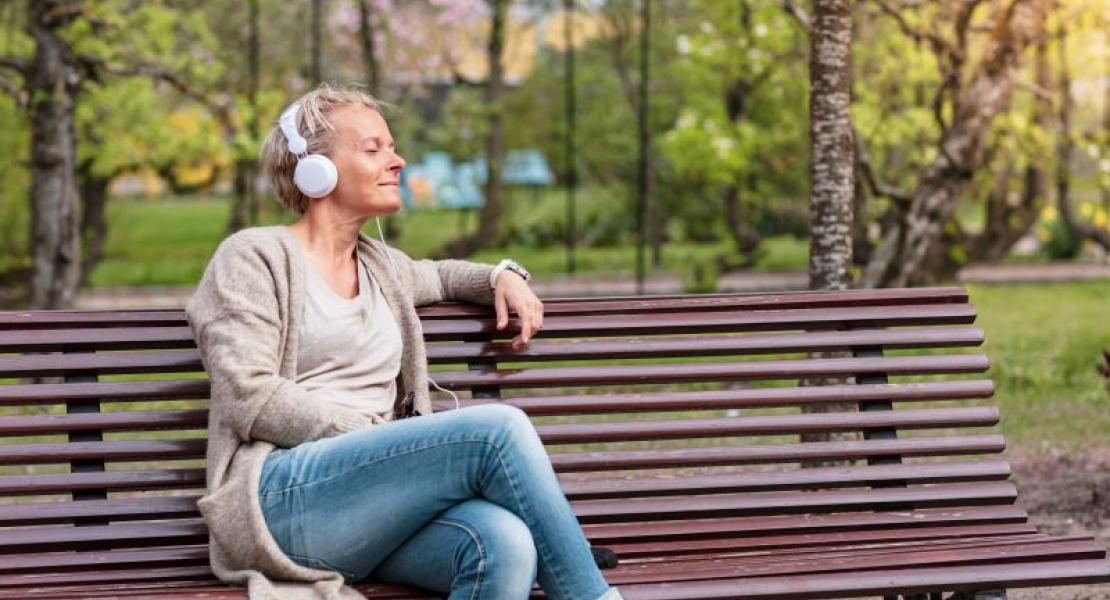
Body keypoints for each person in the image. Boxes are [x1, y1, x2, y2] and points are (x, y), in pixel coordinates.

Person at [184, 84, 625, 600]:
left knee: (505, 543)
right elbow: (249, 394)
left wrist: (501, 277)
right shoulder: (253, 257)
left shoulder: (380, 266)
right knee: (496, 428)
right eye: (373, 149)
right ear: (315, 169)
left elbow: (440, 276)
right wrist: (365, 433)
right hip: (282, 499)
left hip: (370, 508)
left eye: (392, 148)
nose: (398, 161)